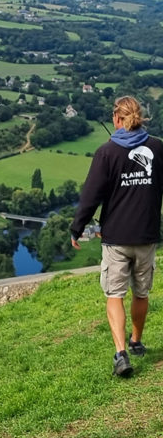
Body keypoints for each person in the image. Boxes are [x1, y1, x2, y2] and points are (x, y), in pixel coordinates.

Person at [70, 95, 163, 377]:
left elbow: (91, 196)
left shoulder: (107, 152)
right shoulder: (158, 148)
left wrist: (77, 227)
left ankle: (121, 354)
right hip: (146, 236)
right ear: (140, 118)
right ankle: (136, 341)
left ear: (116, 119)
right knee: (141, 293)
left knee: (114, 294)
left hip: (116, 238)